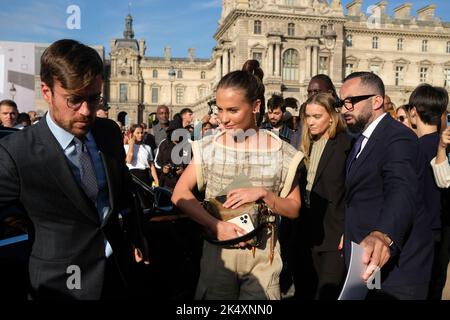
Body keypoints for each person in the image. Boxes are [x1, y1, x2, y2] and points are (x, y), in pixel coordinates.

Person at [0, 39, 147, 299]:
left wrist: (137, 235)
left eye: (94, 98)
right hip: (60, 287)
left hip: (118, 275)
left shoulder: (108, 132)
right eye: (74, 100)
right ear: (46, 92)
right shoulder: (15, 153)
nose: (87, 111)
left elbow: (124, 191)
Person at [172, 62, 304, 300]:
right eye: (219, 110)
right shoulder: (208, 148)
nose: (223, 119)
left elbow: (294, 208)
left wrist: (265, 194)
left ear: (255, 106)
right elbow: (179, 194)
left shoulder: (282, 152)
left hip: (263, 258)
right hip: (218, 256)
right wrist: (216, 226)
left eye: (233, 110)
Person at [339, 71, 434, 300]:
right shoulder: (360, 140)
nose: (344, 110)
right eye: (341, 103)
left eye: (351, 102)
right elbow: (364, 194)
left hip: (397, 273)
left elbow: (402, 190)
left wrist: (384, 235)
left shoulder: (398, 138)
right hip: (367, 263)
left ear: (377, 101)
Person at [294, 93, 351, 300]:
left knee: (327, 292)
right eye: (307, 116)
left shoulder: (346, 144)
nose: (310, 122)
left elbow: (353, 191)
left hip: (335, 232)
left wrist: (349, 229)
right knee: (305, 290)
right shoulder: (304, 144)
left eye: (317, 116)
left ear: (332, 117)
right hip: (306, 231)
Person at [407, 84, 448, 299]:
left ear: (414, 112)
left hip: (418, 234)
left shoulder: (412, 150)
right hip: (442, 229)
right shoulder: (443, 148)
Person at [125, 123, 159, 194]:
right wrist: (131, 145)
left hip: (146, 175)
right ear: (132, 134)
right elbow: (128, 161)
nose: (140, 135)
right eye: (137, 133)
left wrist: (156, 181)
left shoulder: (147, 147)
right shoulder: (126, 147)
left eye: (141, 133)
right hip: (134, 176)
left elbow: (152, 166)